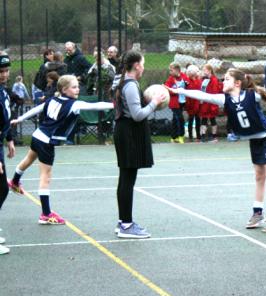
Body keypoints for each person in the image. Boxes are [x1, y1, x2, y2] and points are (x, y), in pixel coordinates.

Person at [168, 68, 266, 233]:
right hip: (255, 139)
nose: (223, 82)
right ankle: (257, 214)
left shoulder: (252, 95)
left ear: (237, 83)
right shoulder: (225, 99)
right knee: (259, 176)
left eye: (227, 80)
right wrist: (179, 90)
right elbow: (202, 95)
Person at [8, 75, 113, 225]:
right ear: (64, 89)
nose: (77, 89)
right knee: (46, 176)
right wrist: (115, 105)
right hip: (46, 141)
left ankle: (15, 182)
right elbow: (95, 106)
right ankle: (45, 214)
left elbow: (37, 109)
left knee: (29, 159)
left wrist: (20, 119)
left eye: (78, 86)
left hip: (37, 136)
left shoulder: (52, 100)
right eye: (74, 87)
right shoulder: (74, 105)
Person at [112, 50, 165, 238]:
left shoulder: (121, 81)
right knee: (127, 180)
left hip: (124, 131)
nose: (144, 67)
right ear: (136, 66)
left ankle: (123, 221)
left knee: (125, 179)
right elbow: (137, 115)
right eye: (143, 64)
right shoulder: (131, 85)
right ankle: (126, 225)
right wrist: (154, 103)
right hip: (129, 134)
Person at [0, 53, 16, 255]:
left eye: (5, 71)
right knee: (1, 188)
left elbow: (5, 118)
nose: (4, 75)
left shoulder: (3, 92)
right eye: (0, 72)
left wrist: (10, 138)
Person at [164, 63, 189, 144]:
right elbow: (167, 89)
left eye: (171, 70)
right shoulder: (170, 79)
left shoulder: (183, 76)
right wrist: (175, 90)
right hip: (174, 103)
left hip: (182, 102)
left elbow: (188, 83)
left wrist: (186, 84)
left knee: (175, 119)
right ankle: (181, 136)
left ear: (177, 70)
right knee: (180, 119)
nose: (170, 72)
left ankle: (173, 137)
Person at [198, 64, 221, 143]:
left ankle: (214, 137)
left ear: (209, 70)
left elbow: (214, 91)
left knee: (212, 119)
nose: (203, 71)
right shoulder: (204, 79)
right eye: (203, 70)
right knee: (204, 119)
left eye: (205, 70)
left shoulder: (214, 80)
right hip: (204, 103)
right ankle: (203, 136)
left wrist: (213, 104)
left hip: (211, 103)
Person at [185, 64, 202, 142]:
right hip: (190, 103)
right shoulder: (187, 81)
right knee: (191, 119)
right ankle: (190, 136)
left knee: (198, 119)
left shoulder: (198, 81)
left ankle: (198, 136)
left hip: (197, 103)